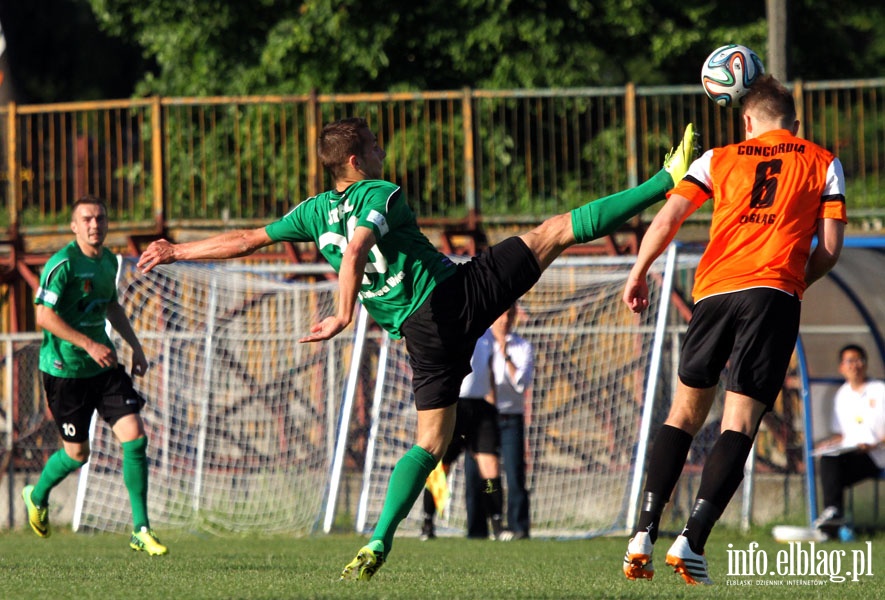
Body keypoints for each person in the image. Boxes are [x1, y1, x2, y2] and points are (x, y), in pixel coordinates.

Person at [137, 116, 697, 580]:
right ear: (357, 161)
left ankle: (379, 540)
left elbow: (246, 240)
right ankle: (665, 181)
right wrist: (342, 312)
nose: (383, 153)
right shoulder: (381, 193)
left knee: (430, 442)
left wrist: (176, 251)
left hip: (420, 340)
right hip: (451, 298)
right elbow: (357, 248)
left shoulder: (311, 212)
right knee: (554, 231)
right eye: (376, 146)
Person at [621, 74, 846, 586]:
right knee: (738, 424)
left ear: (747, 122)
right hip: (771, 293)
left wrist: (638, 272)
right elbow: (829, 248)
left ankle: (643, 532)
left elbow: (668, 218)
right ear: (794, 122)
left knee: (683, 414)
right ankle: (692, 539)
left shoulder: (717, 158)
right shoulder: (821, 160)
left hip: (713, 292)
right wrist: (792, 283)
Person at [24, 195, 167, 555]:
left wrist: (134, 346)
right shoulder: (63, 265)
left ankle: (141, 529)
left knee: (135, 439)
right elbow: (43, 317)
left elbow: (110, 305)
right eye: (87, 219)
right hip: (65, 371)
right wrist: (87, 344)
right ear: (74, 226)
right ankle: (37, 495)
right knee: (76, 455)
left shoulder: (108, 263)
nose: (95, 225)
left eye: (100, 218)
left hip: (103, 369)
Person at [419, 329, 508, 541]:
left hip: (481, 408)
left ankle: (497, 524)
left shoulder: (487, 334)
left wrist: (494, 403)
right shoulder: (453, 325)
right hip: (454, 406)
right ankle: (427, 521)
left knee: (490, 468)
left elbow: (489, 372)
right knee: (441, 468)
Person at [813, 344, 885, 535]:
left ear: (865, 364)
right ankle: (834, 518)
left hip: (875, 456)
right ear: (842, 368)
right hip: (849, 452)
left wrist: (873, 444)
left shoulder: (879, 390)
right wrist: (828, 443)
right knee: (828, 458)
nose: (855, 366)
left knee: (832, 470)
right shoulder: (842, 395)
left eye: (859, 360)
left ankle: (833, 519)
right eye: (850, 361)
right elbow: (843, 433)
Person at [490, 303, 533, 540]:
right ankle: (479, 526)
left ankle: (519, 527)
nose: (505, 319)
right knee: (482, 476)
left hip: (511, 419)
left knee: (515, 475)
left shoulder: (522, 347)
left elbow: (520, 383)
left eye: (509, 314)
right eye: (500, 314)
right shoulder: (481, 343)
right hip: (484, 418)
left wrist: (505, 354)